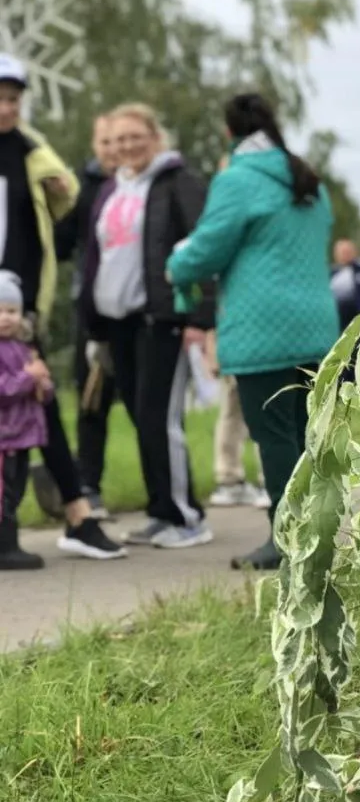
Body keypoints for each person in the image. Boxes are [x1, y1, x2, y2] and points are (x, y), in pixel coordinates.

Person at [166, 92, 338, 571]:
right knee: (308, 435)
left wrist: (176, 265)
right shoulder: (308, 179)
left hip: (264, 330)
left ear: (229, 132)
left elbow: (207, 249)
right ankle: (318, 538)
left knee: (276, 435)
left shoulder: (237, 180)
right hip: (317, 326)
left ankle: (287, 542)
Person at [0, 53, 125, 559]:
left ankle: (75, 511)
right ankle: (72, 513)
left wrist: (58, 189)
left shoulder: (30, 150)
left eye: (13, 100)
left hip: (18, 307)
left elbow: (64, 198)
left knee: (39, 398)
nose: (5, 108)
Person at [81, 103, 216, 549]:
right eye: (118, 139)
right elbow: (96, 256)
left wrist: (199, 318)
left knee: (161, 417)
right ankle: (161, 511)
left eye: (135, 136)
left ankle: (187, 516)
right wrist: (94, 326)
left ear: (155, 136)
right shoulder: (111, 189)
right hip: (118, 323)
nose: (126, 146)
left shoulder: (177, 182)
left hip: (161, 318)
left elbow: (203, 247)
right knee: (143, 418)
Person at [54, 113, 119, 519]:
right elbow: (60, 246)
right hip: (92, 309)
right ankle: (89, 485)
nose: (114, 150)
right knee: (92, 398)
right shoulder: (83, 187)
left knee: (147, 406)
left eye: (119, 141)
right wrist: (57, 203)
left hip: (138, 311)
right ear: (96, 146)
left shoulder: (147, 186)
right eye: (105, 142)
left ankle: (162, 497)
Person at [0, 270, 51, 569]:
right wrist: (26, 378)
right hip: (4, 438)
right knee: (3, 495)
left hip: (21, 435)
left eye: (12, 311)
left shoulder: (22, 349)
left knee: (16, 490)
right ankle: (7, 547)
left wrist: (43, 385)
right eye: (0, 311)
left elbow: (38, 389)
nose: (6, 317)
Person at [206, 328, 270, 509]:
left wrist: (213, 349)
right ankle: (269, 480)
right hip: (255, 344)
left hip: (230, 344)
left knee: (231, 413)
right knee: (263, 411)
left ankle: (229, 480)